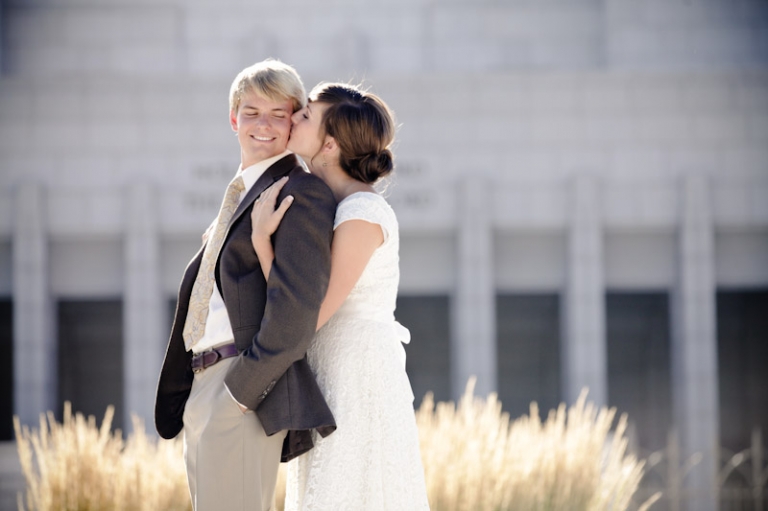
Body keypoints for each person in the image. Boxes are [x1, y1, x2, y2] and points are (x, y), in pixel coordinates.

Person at [154, 59, 338, 511]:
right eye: (253, 112)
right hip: (203, 385)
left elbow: (296, 314)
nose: (265, 125)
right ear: (233, 118)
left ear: (295, 120)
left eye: (279, 114)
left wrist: (238, 394)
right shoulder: (242, 193)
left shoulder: (300, 192)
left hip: (237, 387)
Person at [250, 83, 430, 510]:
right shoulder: (331, 206)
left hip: (356, 379)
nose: (294, 118)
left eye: (306, 115)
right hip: (330, 372)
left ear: (329, 144)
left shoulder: (361, 213)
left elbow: (307, 313)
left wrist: (261, 242)